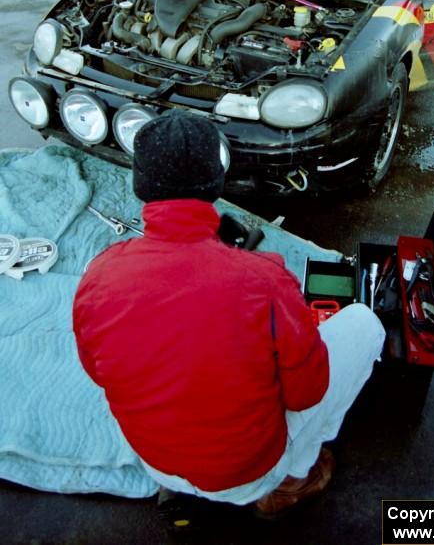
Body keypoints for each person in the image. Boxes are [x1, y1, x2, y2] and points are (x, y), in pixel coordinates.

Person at [72, 112, 385, 518]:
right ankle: (292, 475)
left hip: (157, 464)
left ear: (142, 184)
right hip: (248, 474)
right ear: (216, 180)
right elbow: (307, 393)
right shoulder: (265, 280)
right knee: (365, 323)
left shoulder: (98, 275)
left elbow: (99, 373)